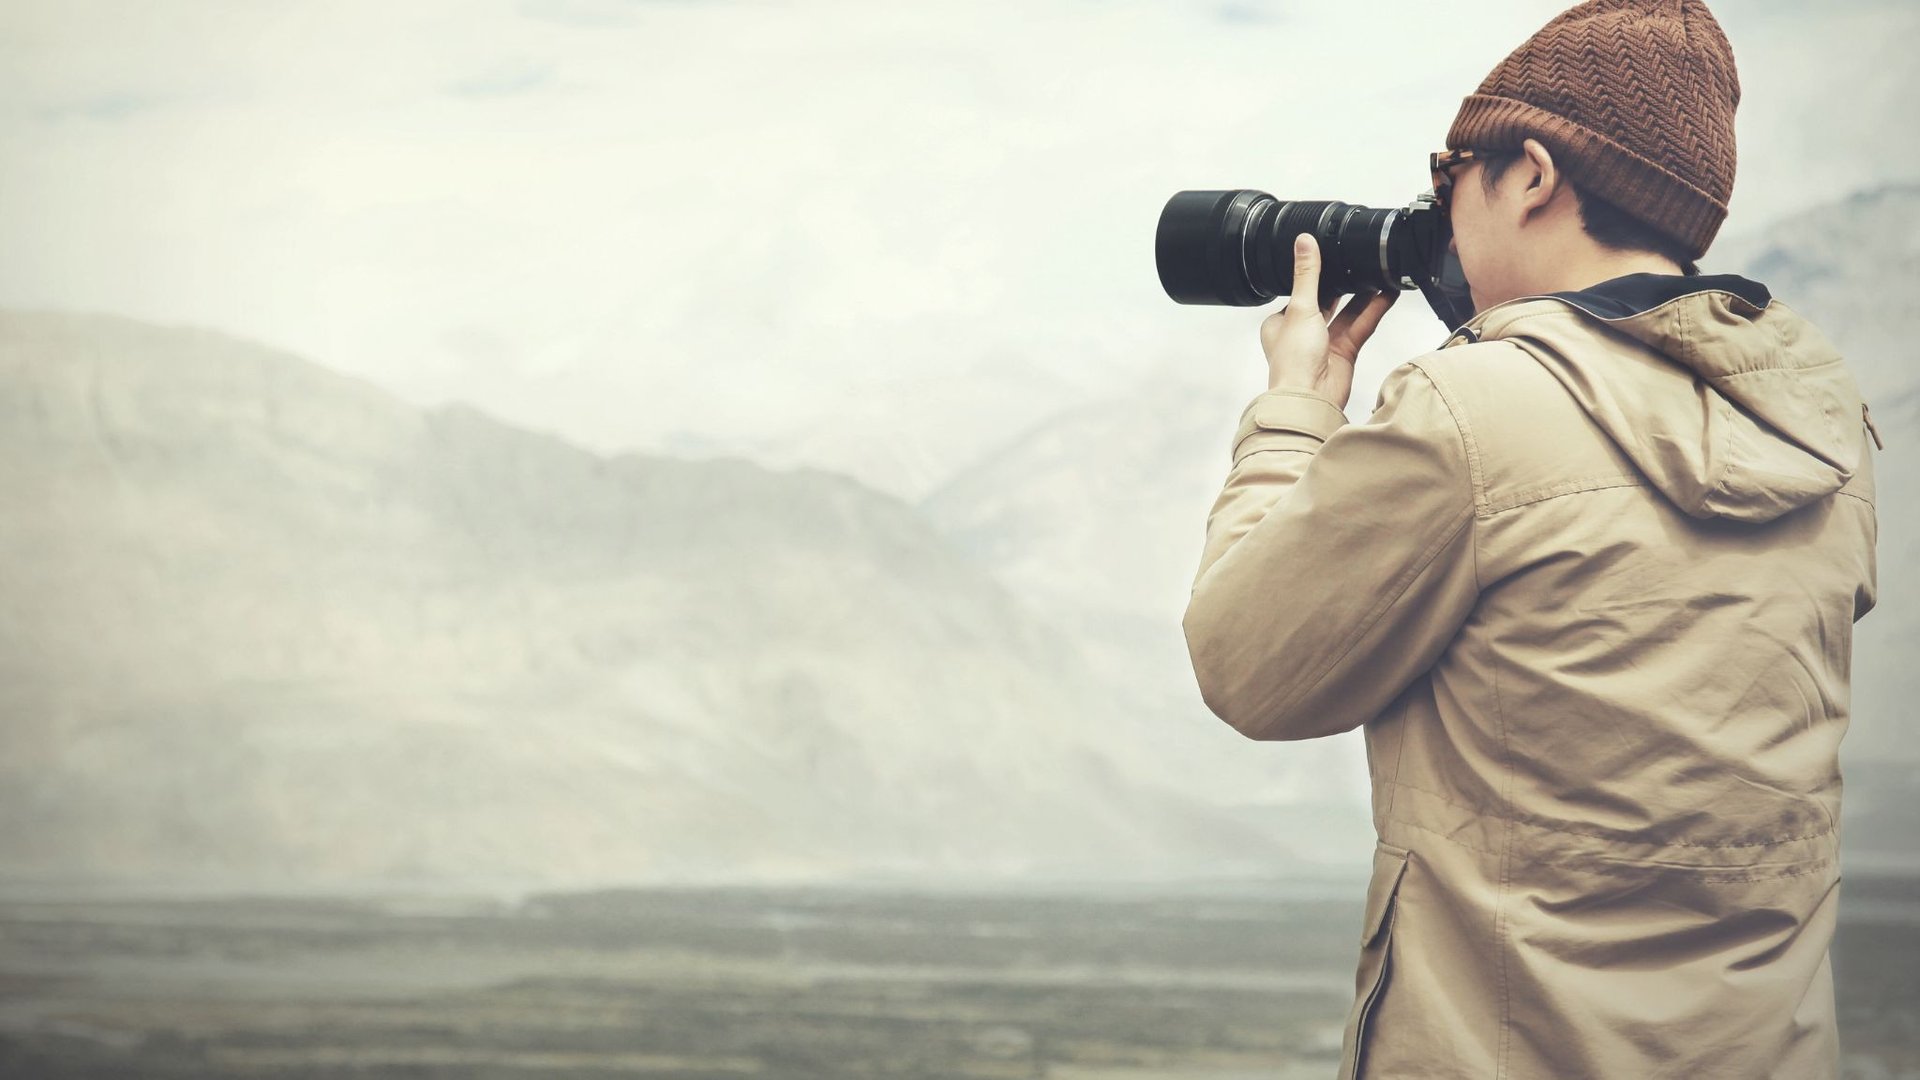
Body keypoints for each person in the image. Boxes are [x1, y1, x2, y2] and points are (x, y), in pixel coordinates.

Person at [1179, 1, 1881, 1077]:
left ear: (1534, 175)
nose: (1437, 206)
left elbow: (1248, 666)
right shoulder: (1823, 433)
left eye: (1450, 169)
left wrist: (1296, 410)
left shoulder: (1475, 407)